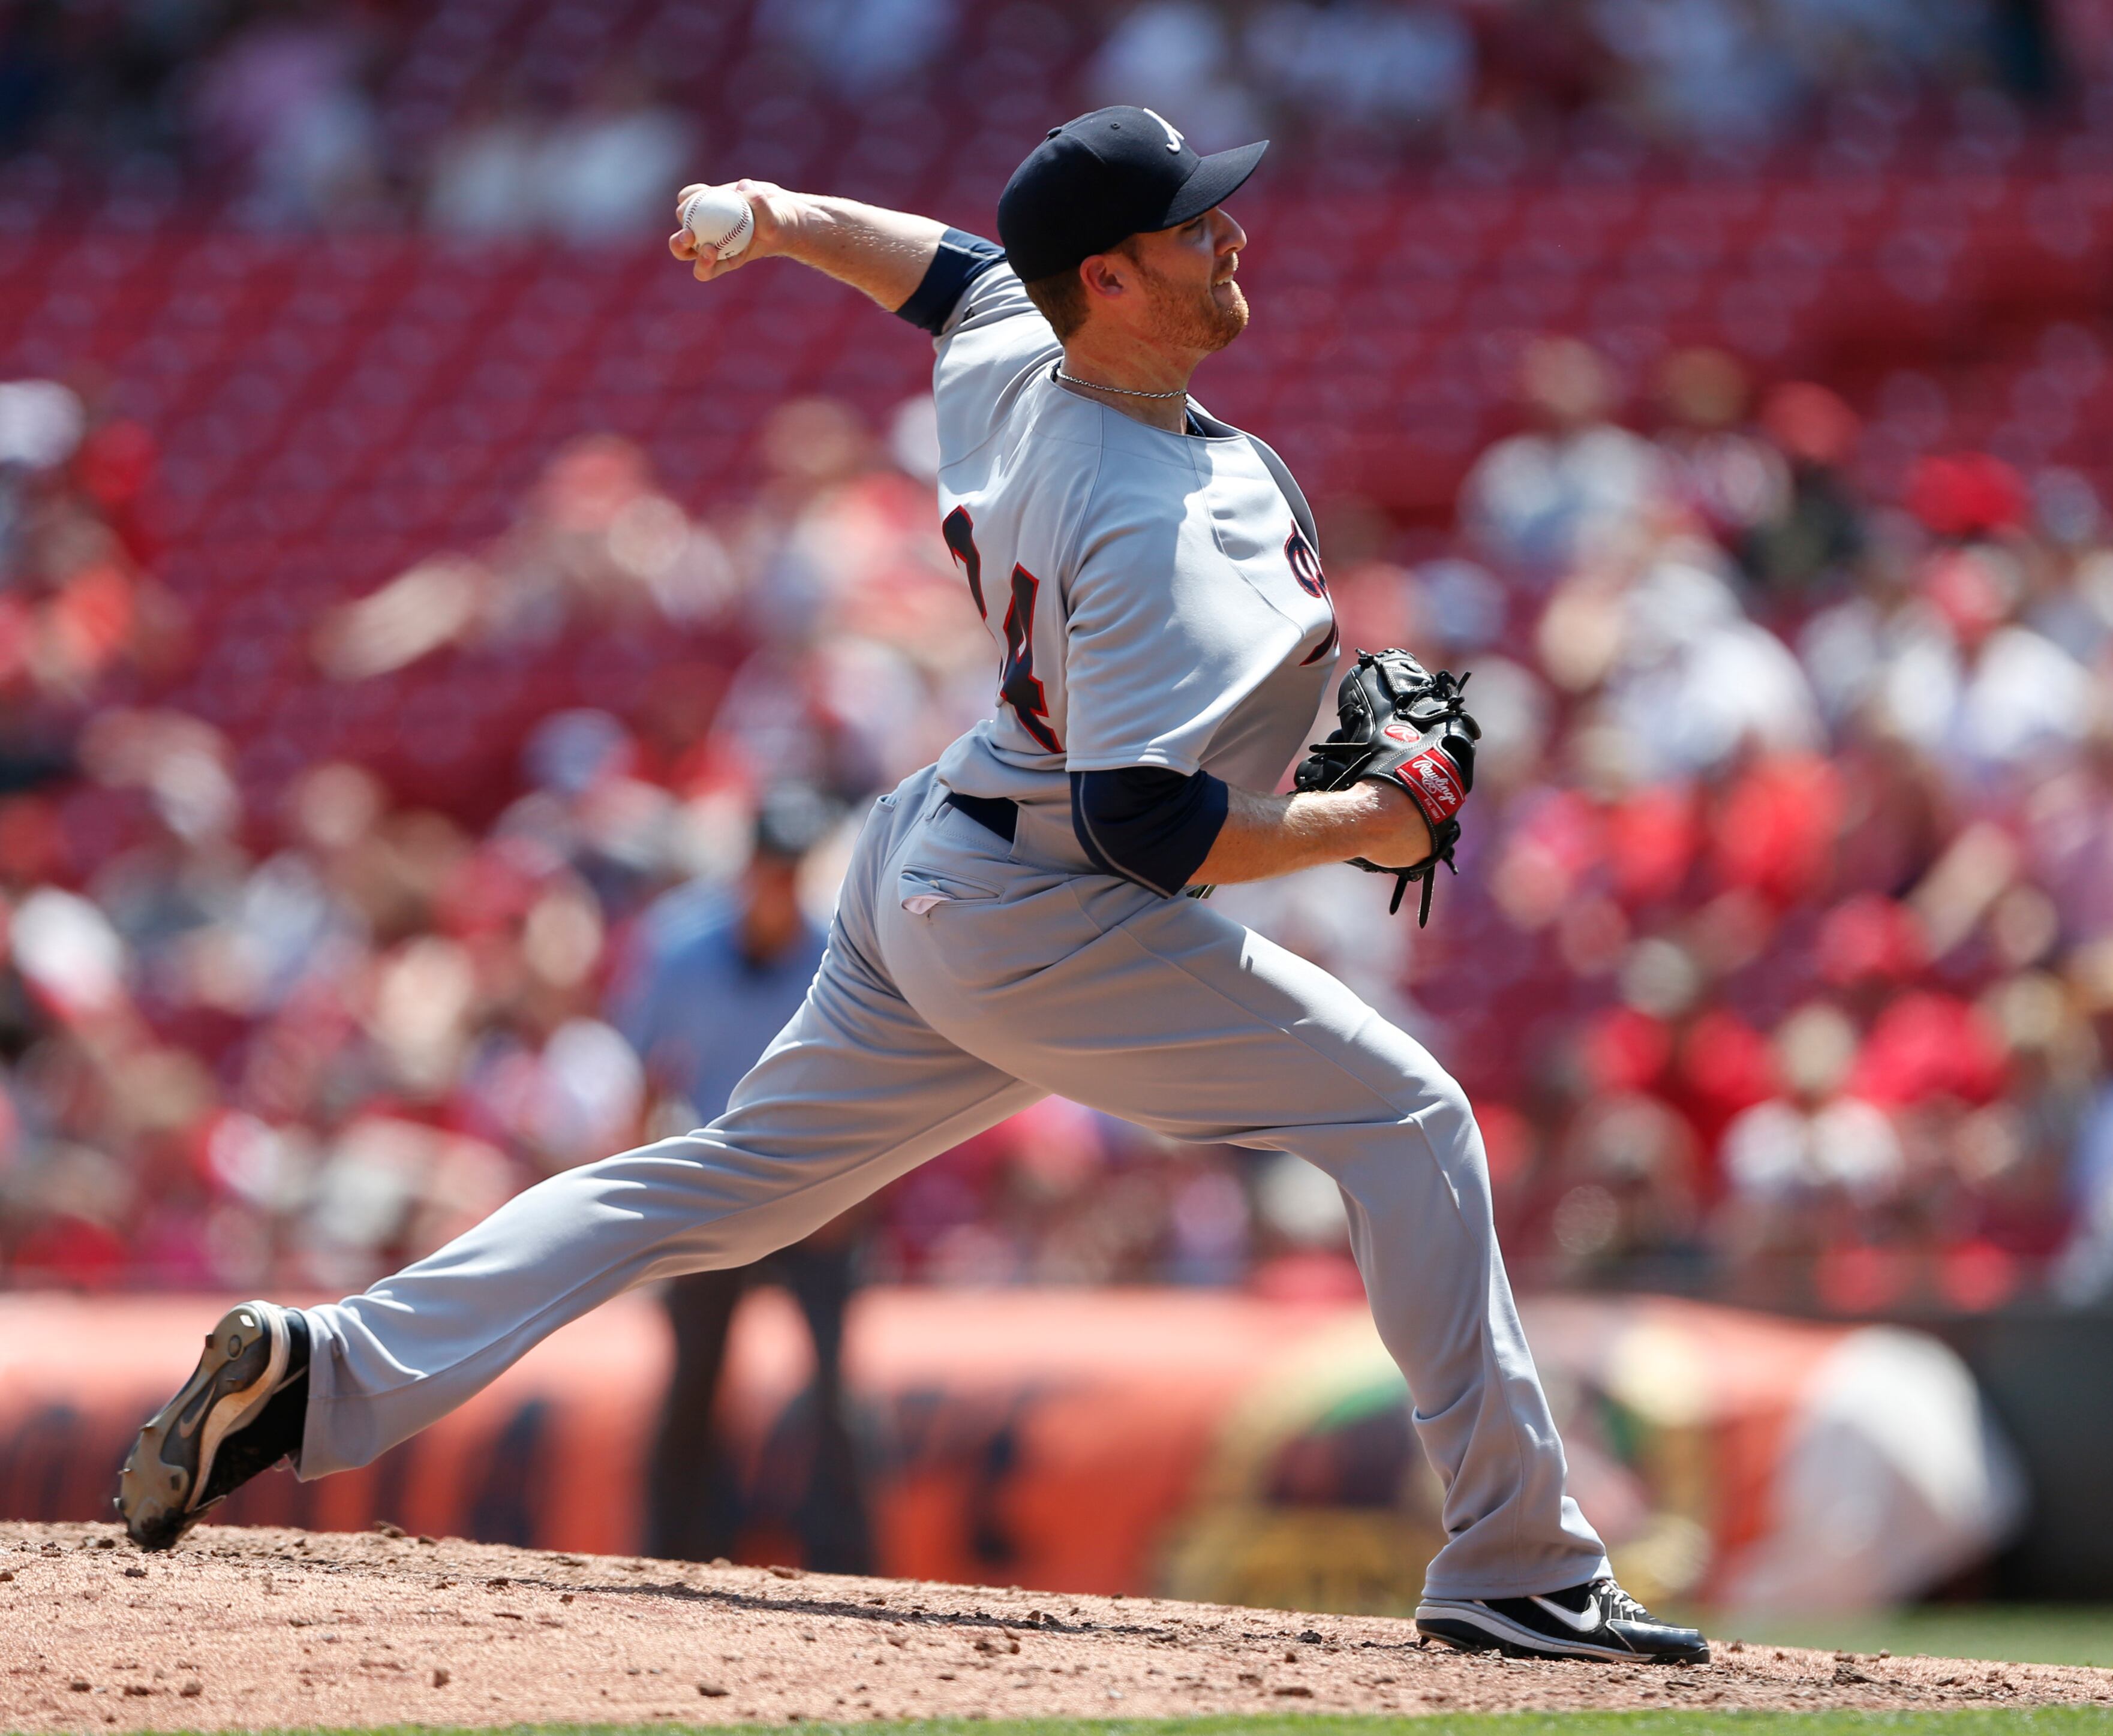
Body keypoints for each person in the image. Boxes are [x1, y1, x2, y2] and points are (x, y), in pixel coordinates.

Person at [118, 107, 1708, 1667]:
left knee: (723, 1184)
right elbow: (1150, 826)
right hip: (1057, 907)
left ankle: (325, 1373)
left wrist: (776, 210)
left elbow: (945, 271)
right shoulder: (1146, 523)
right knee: (1413, 1120)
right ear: (1109, 278)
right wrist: (1366, 820)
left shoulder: (1032, 351)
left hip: (937, 853)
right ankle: (1521, 1565)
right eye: (1194, 225)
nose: (1234, 236)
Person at [613, 787, 871, 1571]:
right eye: (771, 868)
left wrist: (853, 1190)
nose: (780, 885)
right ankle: (671, 1554)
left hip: (813, 1182)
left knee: (833, 1389)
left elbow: (870, 1082)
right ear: (748, 868)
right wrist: (641, 1203)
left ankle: (844, 1562)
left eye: (793, 870)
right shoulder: (681, 946)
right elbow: (646, 1080)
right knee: (692, 1381)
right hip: (716, 1179)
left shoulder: (839, 944)